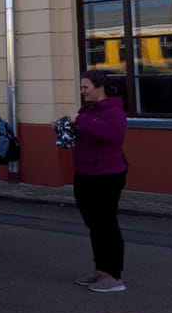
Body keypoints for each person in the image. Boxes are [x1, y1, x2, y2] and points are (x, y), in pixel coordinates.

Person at [54, 70, 129, 293]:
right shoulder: (86, 111)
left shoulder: (114, 111)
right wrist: (62, 127)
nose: (82, 91)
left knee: (106, 224)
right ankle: (101, 270)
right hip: (85, 173)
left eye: (86, 86)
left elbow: (112, 135)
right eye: (81, 87)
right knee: (94, 224)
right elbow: (84, 135)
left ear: (100, 88)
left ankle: (115, 276)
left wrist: (82, 121)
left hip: (107, 175)